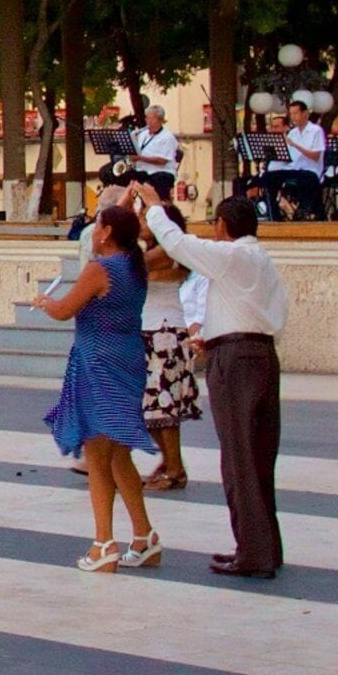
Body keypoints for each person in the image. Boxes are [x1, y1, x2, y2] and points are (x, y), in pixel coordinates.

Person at [142, 196, 290, 576]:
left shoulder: (230, 257)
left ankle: (253, 554)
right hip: (261, 353)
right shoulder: (262, 260)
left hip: (236, 360)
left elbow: (177, 244)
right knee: (259, 456)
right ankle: (264, 547)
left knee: (239, 457)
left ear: (223, 225)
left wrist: (154, 207)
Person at [38, 204, 160, 572]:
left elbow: (64, 310)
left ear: (106, 233)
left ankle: (103, 544)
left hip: (98, 361)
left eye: (97, 226)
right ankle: (143, 536)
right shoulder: (135, 267)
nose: (92, 232)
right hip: (128, 357)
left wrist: (45, 302)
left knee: (98, 455)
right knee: (118, 453)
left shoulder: (100, 268)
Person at [136, 211, 204, 492]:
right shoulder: (155, 252)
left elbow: (133, 266)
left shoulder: (167, 251)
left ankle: (175, 469)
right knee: (150, 407)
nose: (139, 224)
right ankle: (169, 463)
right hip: (150, 329)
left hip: (165, 332)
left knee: (163, 406)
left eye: (143, 220)